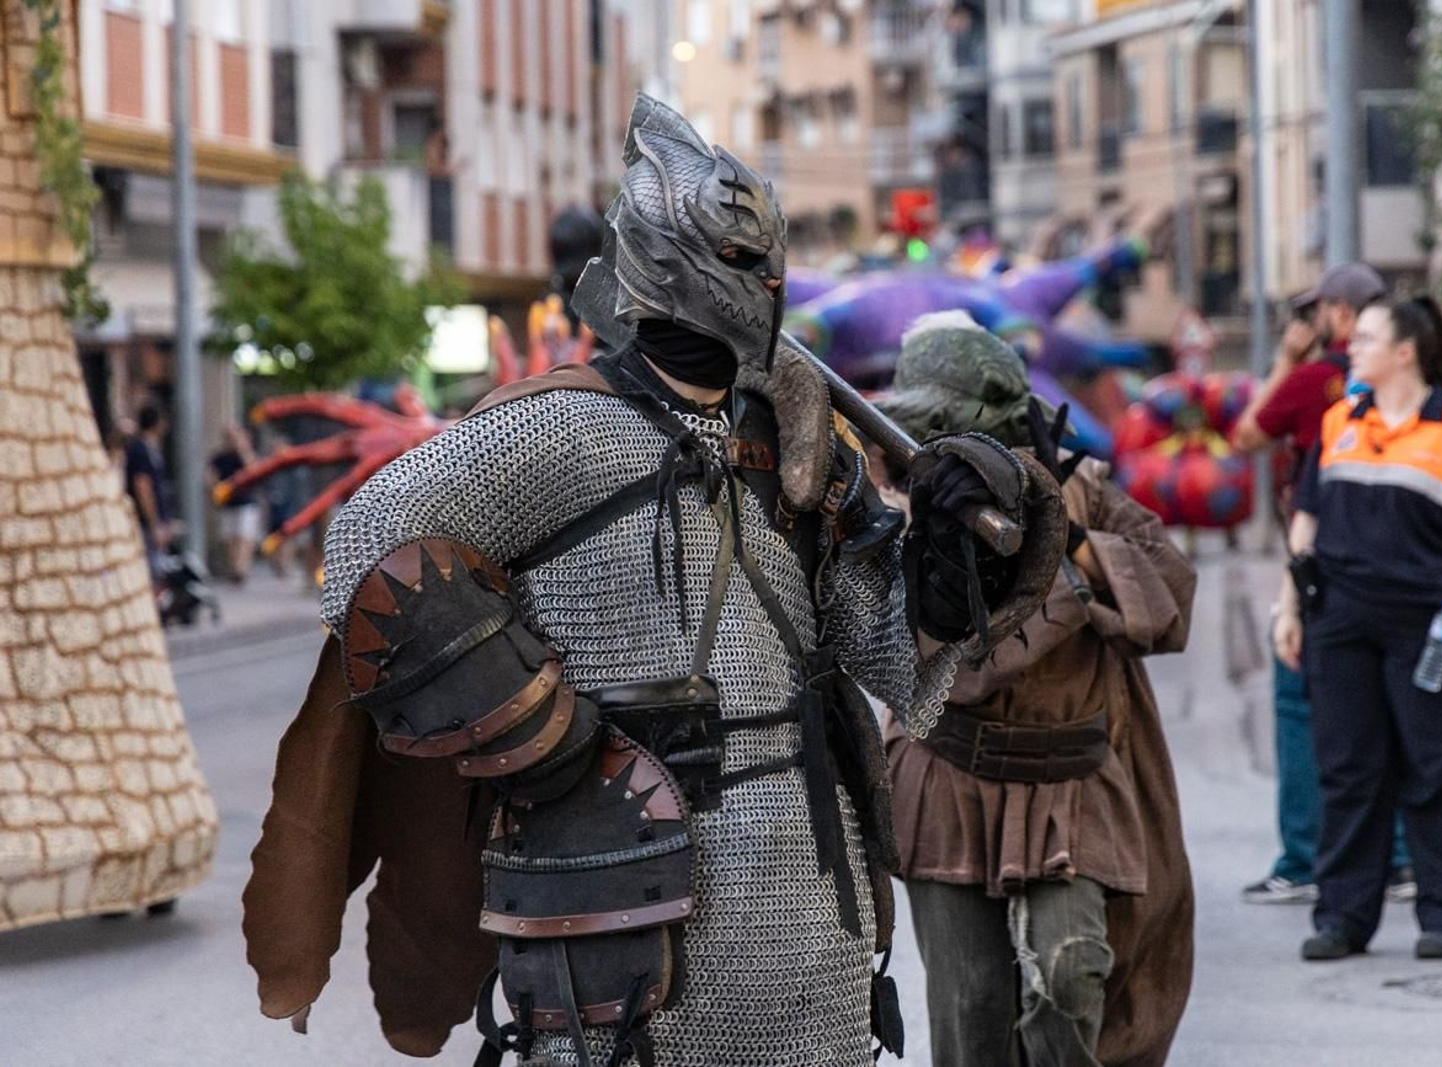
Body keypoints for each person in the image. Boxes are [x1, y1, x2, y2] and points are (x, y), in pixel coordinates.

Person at [241, 94, 1066, 1067]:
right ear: (664, 265)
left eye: (761, 261)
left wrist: (953, 561)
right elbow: (372, 546)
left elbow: (887, 649)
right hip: (615, 881)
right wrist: (534, 730)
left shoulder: (801, 445)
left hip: (808, 886)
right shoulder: (556, 432)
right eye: (734, 261)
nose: (756, 282)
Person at [876, 312, 1196, 1067]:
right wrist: (937, 537)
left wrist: (1064, 534)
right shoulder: (900, 505)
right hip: (951, 782)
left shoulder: (1083, 490)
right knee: (971, 1011)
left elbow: (1172, 593)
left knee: (1070, 974)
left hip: (1069, 781)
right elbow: (939, 660)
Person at [1273, 295, 1442, 962]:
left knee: (1433, 767)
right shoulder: (1340, 419)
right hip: (1340, 620)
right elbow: (1306, 522)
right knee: (1349, 770)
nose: (1353, 345)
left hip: (1427, 623)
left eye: (1368, 337)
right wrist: (1287, 606)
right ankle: (1344, 916)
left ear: (1405, 351)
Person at [1230, 264, 1414, 906]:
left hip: (1324, 564)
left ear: (1341, 314)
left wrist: (1285, 360)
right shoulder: (1414, 381)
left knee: (1298, 703)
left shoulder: (1315, 381)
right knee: (1385, 704)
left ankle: (1305, 857)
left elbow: (1246, 433)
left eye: (1316, 311)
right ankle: (1395, 855)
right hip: (1401, 561)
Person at [208, 425, 262, 584]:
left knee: (244, 537)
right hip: (228, 502)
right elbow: (211, 475)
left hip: (246, 501)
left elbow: (254, 470)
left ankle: (241, 569)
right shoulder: (220, 457)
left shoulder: (245, 455)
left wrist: (242, 450)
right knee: (230, 538)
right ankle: (235, 569)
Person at [124, 401, 174, 569]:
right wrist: (154, 524)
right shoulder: (140, 449)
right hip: (144, 523)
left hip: (153, 520)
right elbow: (143, 486)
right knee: (151, 569)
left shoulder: (151, 449)